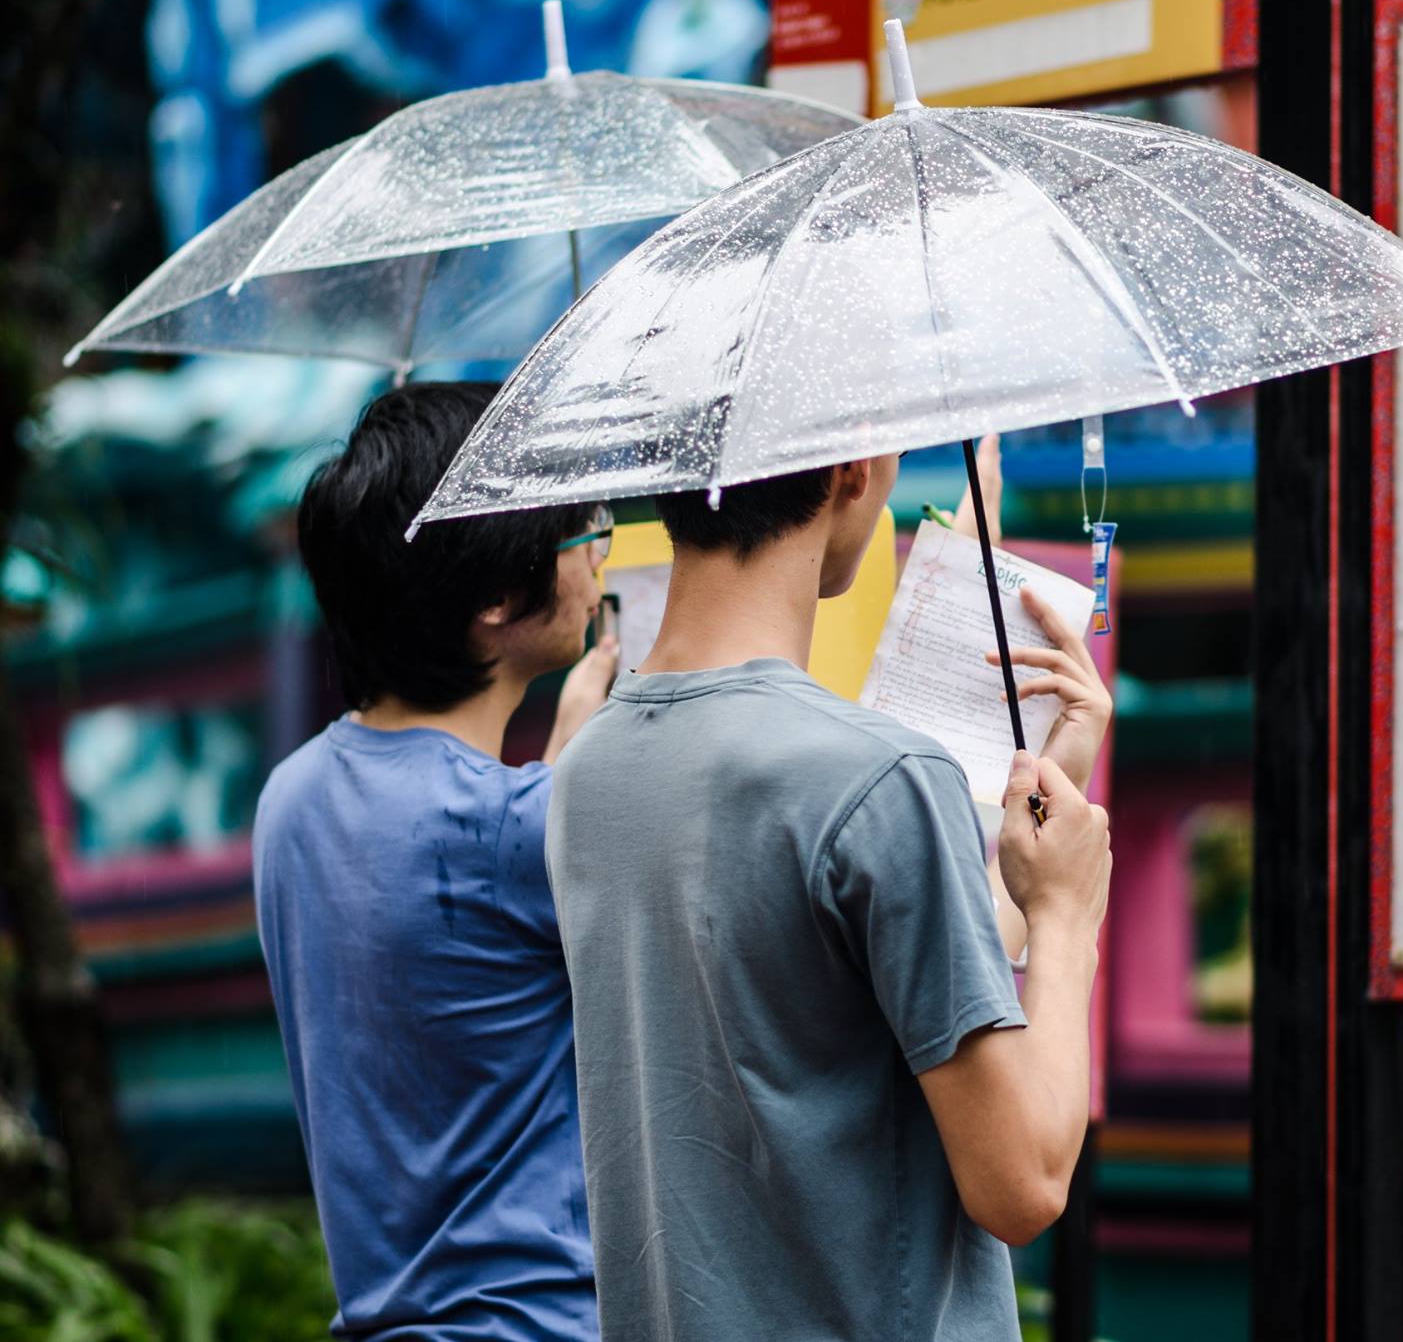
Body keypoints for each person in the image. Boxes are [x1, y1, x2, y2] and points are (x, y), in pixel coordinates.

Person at [546, 448, 1114, 1341]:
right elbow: (1024, 1181)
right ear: (855, 469)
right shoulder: (880, 778)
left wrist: (1023, 859)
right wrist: (1067, 915)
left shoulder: (586, 770)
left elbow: (849, 1013)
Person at [252, 382, 619, 1340]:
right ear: (496, 596)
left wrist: (557, 780)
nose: (600, 551)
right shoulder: (520, 829)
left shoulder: (289, 798)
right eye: (585, 530)